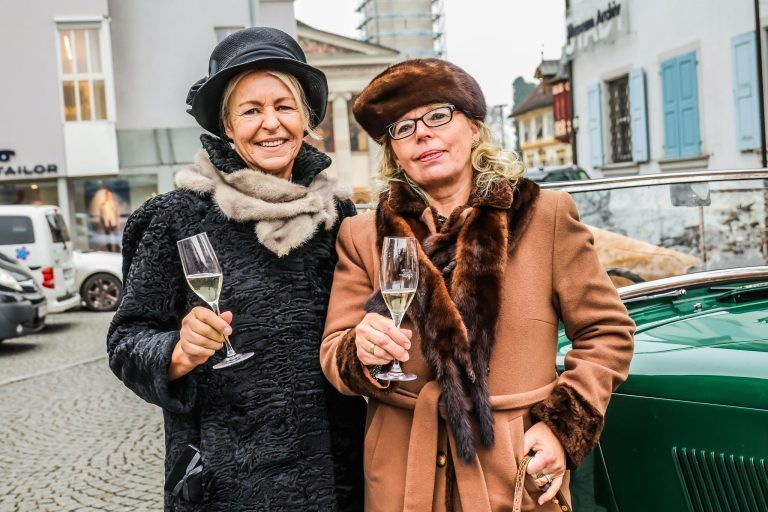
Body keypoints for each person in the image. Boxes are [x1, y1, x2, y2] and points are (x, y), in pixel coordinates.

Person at [320, 58, 635, 512]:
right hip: (402, 471)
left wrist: (561, 429)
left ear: (472, 128)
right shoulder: (361, 234)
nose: (422, 135)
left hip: (514, 465)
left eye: (437, 116)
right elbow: (333, 353)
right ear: (394, 153)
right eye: (403, 128)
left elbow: (607, 332)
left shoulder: (546, 215)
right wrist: (359, 350)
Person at [107, 27, 365, 511]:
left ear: (305, 119)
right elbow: (126, 342)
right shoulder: (174, 217)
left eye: (284, 107)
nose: (271, 123)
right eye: (251, 110)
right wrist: (178, 350)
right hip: (226, 483)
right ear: (227, 126)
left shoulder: (337, 216)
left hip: (336, 478)